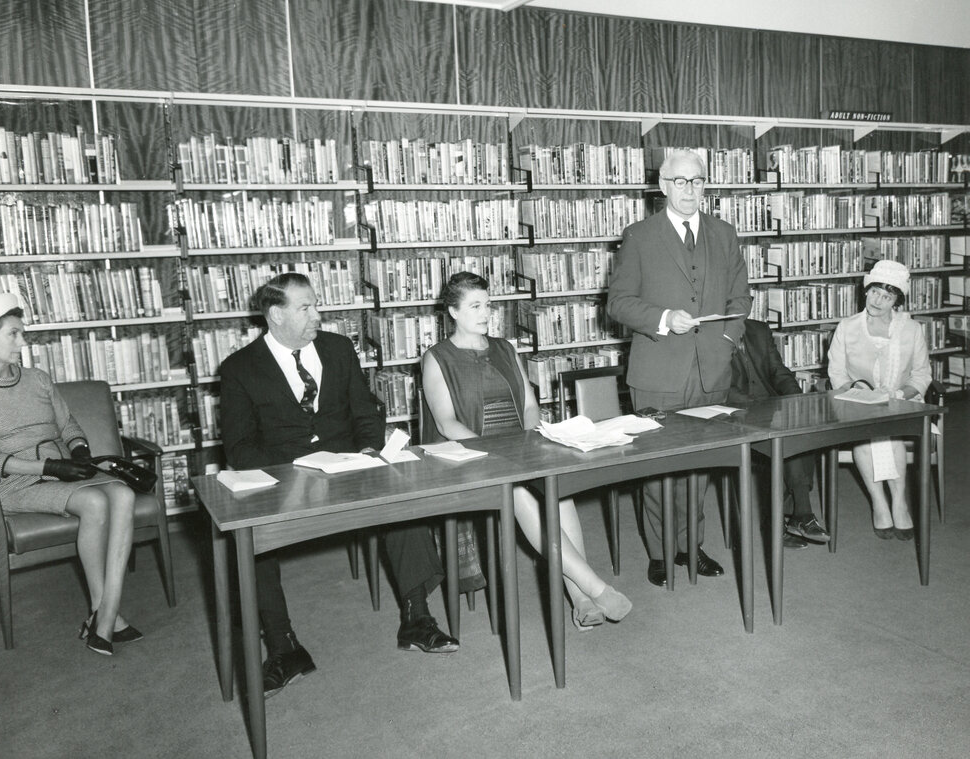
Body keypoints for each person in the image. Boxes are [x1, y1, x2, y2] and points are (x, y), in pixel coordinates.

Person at [219, 272, 456, 700]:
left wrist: (367, 449)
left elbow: (366, 410)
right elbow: (239, 446)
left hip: (350, 466)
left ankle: (417, 618)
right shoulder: (239, 369)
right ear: (275, 315)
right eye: (306, 307)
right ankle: (283, 646)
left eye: (316, 305)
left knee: (402, 499)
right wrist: (294, 469)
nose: (318, 315)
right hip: (285, 476)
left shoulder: (337, 348)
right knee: (246, 533)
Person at [421, 272, 632, 632]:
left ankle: (581, 601)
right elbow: (446, 424)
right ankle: (595, 587)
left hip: (518, 449)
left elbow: (531, 407)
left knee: (558, 492)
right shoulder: (436, 358)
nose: (487, 313)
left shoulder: (505, 348)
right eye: (476, 306)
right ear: (453, 312)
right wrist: (494, 454)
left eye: (488, 305)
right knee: (521, 491)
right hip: (470, 455)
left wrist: (534, 439)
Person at [607, 148, 751, 587]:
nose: (690, 189)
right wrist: (665, 319)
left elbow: (740, 300)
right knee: (657, 467)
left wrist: (726, 342)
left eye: (697, 180)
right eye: (680, 181)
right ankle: (660, 551)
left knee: (700, 466)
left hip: (711, 369)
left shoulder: (724, 233)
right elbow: (619, 303)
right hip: (658, 371)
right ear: (664, 186)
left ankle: (693, 546)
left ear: (705, 184)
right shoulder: (639, 235)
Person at [0, 293, 141, 656]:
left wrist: (79, 450)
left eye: (22, 333)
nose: (23, 342)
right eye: (13, 334)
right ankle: (108, 616)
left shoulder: (37, 379)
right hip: (13, 483)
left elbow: (68, 424)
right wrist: (48, 467)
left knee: (124, 493)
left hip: (63, 471)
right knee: (96, 502)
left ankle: (103, 613)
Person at [826, 259, 930, 540]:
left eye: (887, 296)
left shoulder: (912, 330)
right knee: (868, 431)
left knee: (888, 429)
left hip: (902, 402)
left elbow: (921, 375)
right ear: (866, 290)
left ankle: (898, 502)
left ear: (897, 300)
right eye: (874, 292)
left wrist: (897, 395)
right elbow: (836, 372)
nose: (878, 300)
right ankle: (880, 502)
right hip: (856, 402)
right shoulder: (847, 327)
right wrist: (860, 395)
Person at [727, 318, 831, 548]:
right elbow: (719, 385)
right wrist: (756, 407)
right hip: (736, 414)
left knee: (801, 428)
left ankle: (793, 518)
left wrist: (798, 402)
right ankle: (799, 516)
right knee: (784, 438)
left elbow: (780, 372)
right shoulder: (710, 332)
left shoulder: (759, 329)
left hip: (772, 409)